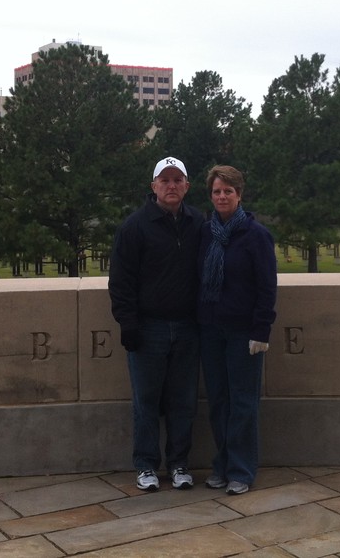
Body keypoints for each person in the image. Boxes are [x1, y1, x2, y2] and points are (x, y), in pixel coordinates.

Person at [108, 156, 204, 491]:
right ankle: (146, 465)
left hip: (188, 328)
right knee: (146, 402)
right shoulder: (134, 227)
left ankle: (179, 463)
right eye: (165, 180)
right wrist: (128, 323)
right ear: (154, 186)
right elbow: (121, 282)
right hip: (148, 329)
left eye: (177, 180)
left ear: (187, 186)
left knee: (183, 402)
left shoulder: (198, 223)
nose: (171, 186)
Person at [197, 165, 277, 495]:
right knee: (219, 401)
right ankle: (222, 465)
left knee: (243, 402)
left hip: (244, 333)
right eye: (216, 191)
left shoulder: (256, 236)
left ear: (239, 195)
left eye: (228, 191)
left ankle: (241, 470)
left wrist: (261, 331)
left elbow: (266, 287)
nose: (222, 196)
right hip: (210, 331)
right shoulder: (206, 233)